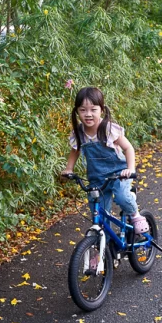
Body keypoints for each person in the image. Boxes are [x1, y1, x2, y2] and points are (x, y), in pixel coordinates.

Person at [61, 86, 149, 235]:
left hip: (119, 174)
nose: (88, 114)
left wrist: (130, 168)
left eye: (93, 109)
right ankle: (102, 251)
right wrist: (69, 169)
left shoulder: (108, 129)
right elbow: (75, 150)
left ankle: (135, 214)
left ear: (101, 110)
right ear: (77, 111)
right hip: (97, 179)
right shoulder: (79, 133)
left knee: (122, 196)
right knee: (100, 216)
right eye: (83, 110)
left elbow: (128, 148)